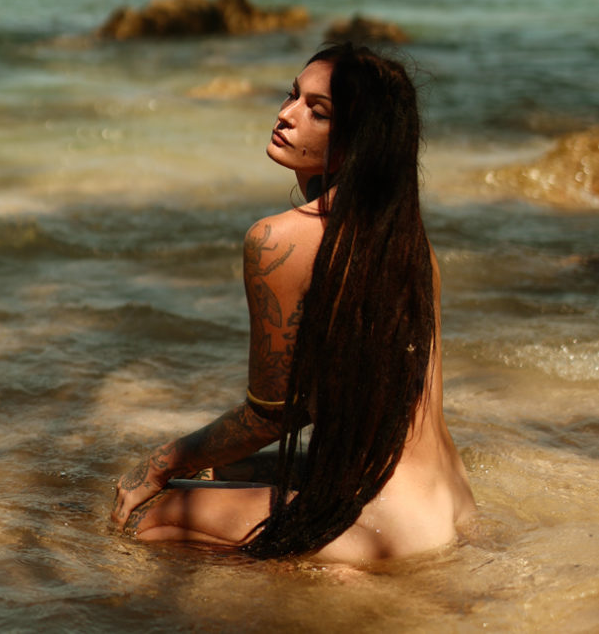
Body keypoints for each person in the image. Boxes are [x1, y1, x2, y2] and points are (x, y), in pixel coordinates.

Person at [111, 43, 476, 563]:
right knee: (223, 471)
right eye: (293, 95)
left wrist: (162, 461)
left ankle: (332, 578)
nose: (286, 115)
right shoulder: (408, 243)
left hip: (386, 521)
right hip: (452, 503)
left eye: (317, 111)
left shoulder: (278, 239)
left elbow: (270, 417)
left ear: (357, 142)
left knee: (146, 518)